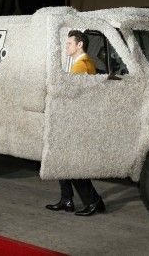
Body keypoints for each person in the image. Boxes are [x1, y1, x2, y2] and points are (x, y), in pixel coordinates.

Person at [45, 30, 106, 216]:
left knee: (71, 163)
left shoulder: (81, 65)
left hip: (74, 121)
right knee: (62, 160)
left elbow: (68, 94)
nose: (66, 46)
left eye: (70, 43)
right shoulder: (84, 63)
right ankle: (67, 199)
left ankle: (94, 202)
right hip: (74, 119)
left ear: (80, 45)